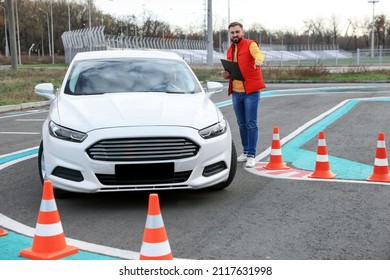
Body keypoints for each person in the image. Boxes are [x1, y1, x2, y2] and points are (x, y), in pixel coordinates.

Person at [221, 22, 266, 168]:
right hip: (236, 92)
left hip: (250, 92)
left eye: (237, 32)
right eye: (232, 32)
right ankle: (245, 151)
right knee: (241, 123)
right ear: (230, 34)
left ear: (243, 32)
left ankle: (252, 155)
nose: (235, 35)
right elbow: (232, 71)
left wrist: (258, 61)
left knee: (251, 123)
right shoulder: (229, 50)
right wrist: (226, 75)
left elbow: (258, 54)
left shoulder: (251, 44)